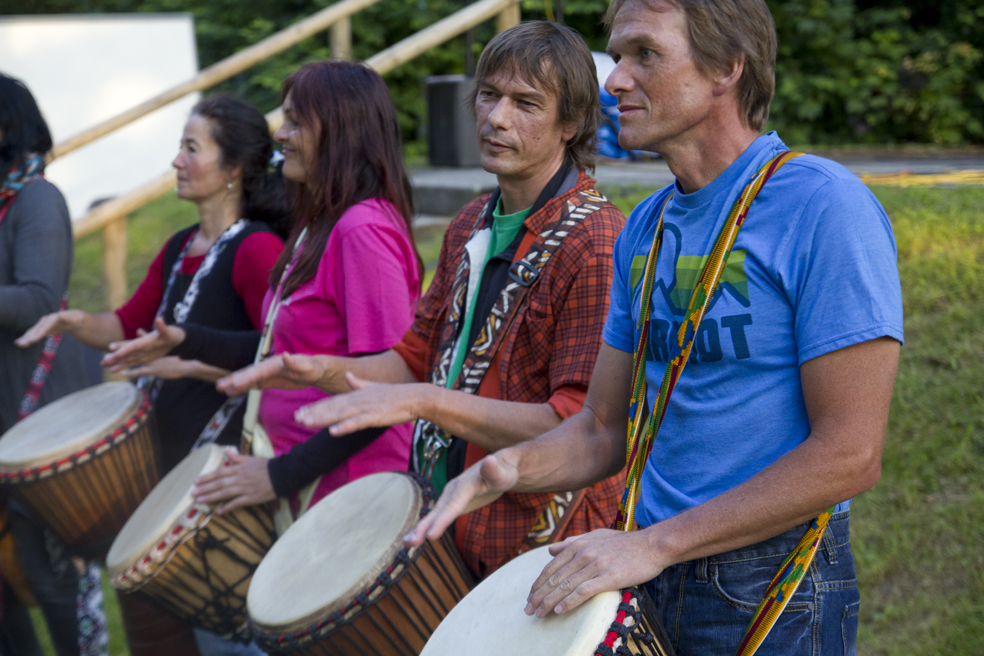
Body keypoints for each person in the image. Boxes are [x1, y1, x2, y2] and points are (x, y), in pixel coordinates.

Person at [405, 1, 904, 654]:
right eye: (618, 55)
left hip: (773, 578)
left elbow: (849, 454)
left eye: (645, 54)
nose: (614, 80)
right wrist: (505, 469)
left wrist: (654, 544)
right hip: (651, 568)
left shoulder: (822, 206)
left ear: (726, 67)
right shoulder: (646, 226)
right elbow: (602, 428)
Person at [211, 22, 629, 581]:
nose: (496, 118)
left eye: (526, 103)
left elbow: (577, 427)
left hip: (544, 549)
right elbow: (414, 358)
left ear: (571, 122)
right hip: (449, 527)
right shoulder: (470, 222)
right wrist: (323, 370)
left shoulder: (596, 240)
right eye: (489, 95)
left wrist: (426, 402)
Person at [18, 94, 288, 656]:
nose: (176, 162)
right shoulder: (178, 247)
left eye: (192, 149)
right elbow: (125, 325)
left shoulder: (256, 249)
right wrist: (75, 321)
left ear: (234, 168)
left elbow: (277, 351)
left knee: (223, 641)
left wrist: (189, 363)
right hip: (164, 472)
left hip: (218, 474)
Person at [103, 61, 422, 521]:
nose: (280, 134)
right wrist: (189, 340)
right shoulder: (321, 224)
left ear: (339, 131)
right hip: (312, 488)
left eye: (295, 121)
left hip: (351, 497)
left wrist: (279, 475)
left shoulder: (362, 231)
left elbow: (387, 390)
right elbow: (292, 348)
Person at [0, 72, 101, 656]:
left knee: (53, 581)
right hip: (8, 423)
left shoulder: (37, 198)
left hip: (41, 422)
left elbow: (38, 300)